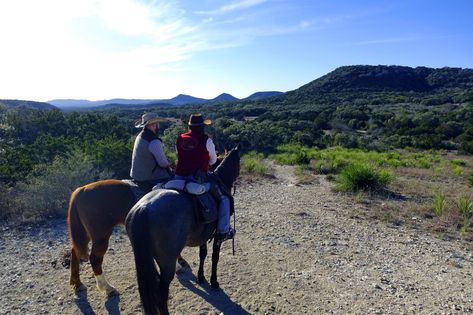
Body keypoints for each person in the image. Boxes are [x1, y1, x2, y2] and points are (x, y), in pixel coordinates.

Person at [175, 113, 235, 242]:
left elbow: (178, 155)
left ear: (189, 126)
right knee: (224, 198)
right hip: (198, 179)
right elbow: (213, 161)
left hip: (178, 177)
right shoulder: (206, 140)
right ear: (202, 126)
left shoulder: (180, 138)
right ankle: (223, 230)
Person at [130, 112, 172, 190]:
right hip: (150, 178)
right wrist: (171, 163)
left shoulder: (140, 136)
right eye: (157, 124)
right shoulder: (154, 141)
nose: (159, 126)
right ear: (153, 125)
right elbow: (163, 164)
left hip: (136, 175)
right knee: (175, 186)